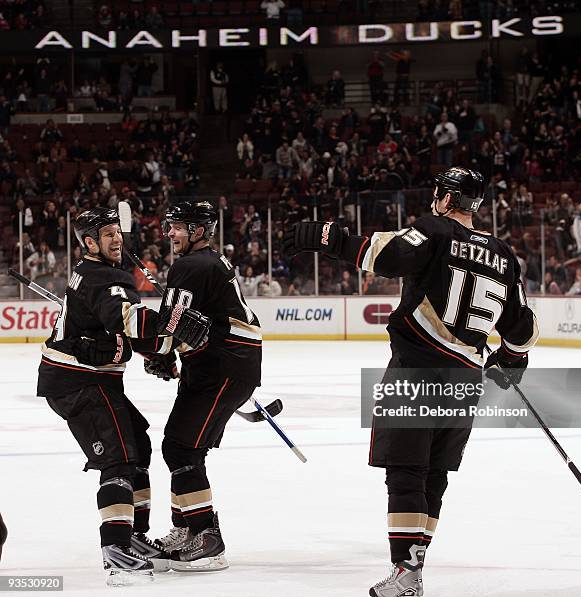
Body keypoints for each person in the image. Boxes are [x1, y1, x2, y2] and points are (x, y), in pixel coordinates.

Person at [283, 167, 538, 597]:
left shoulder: (434, 230)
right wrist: (511, 361)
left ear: (445, 197)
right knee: (434, 474)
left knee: (406, 471)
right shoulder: (505, 255)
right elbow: (523, 326)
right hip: (465, 378)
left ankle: (405, 573)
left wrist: (327, 237)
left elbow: (386, 256)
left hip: (419, 368)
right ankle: (413, 569)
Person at [36, 207, 210, 586]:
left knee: (139, 446)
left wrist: (157, 353)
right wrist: (172, 327)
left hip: (91, 380)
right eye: (108, 233)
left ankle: (132, 534)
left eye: (118, 231)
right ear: (89, 243)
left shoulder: (101, 274)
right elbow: (126, 321)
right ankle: (115, 552)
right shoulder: (103, 277)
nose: (118, 238)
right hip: (78, 382)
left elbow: (115, 331)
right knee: (118, 458)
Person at [142, 201, 263, 572]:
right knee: (184, 447)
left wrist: (158, 353)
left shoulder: (191, 265)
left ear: (198, 230)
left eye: (178, 227)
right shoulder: (209, 261)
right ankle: (187, 529)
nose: (171, 234)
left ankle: (206, 536)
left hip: (221, 369)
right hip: (220, 365)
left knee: (180, 447)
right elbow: (189, 320)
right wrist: (171, 353)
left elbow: (172, 319)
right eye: (171, 226)